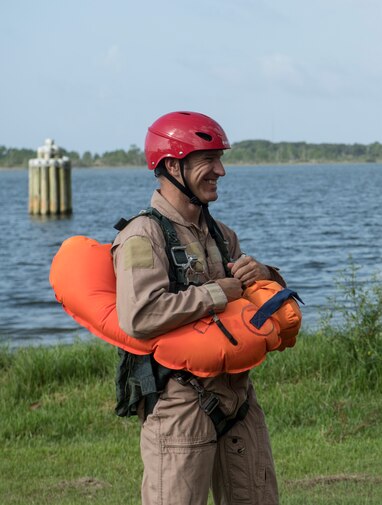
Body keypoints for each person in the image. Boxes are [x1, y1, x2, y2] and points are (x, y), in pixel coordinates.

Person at [112, 111, 283, 504]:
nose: (220, 171)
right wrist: (216, 293)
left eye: (220, 159)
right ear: (173, 166)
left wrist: (264, 274)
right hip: (180, 406)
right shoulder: (142, 236)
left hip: (239, 400)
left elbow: (255, 306)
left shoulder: (223, 235)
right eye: (208, 160)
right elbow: (139, 316)